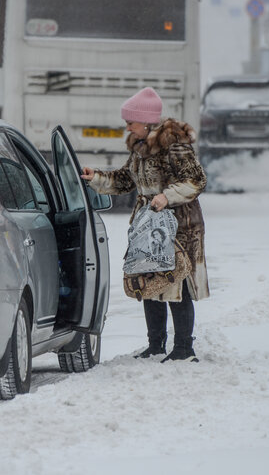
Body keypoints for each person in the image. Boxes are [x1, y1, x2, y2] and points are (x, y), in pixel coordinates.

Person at [80, 87, 209, 362]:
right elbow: (126, 180)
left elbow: (197, 181)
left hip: (179, 227)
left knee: (177, 283)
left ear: (148, 122)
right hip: (147, 225)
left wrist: (167, 196)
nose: (127, 127)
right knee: (149, 280)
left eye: (130, 122)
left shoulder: (175, 146)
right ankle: (156, 345)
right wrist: (95, 177)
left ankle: (184, 349)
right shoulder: (139, 149)